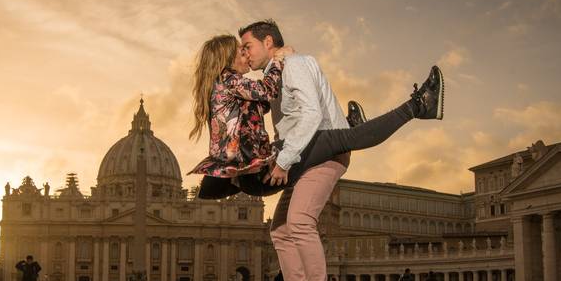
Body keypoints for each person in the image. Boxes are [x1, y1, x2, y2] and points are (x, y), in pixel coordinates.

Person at [189, 31, 445, 201]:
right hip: (257, 174)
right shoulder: (229, 81)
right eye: (240, 51)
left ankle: (347, 125)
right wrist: (280, 59)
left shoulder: (226, 87)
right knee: (344, 139)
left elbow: (261, 107)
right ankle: (419, 105)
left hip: (254, 175)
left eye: (247, 49)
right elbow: (267, 90)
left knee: (329, 137)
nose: (246, 54)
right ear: (226, 58)